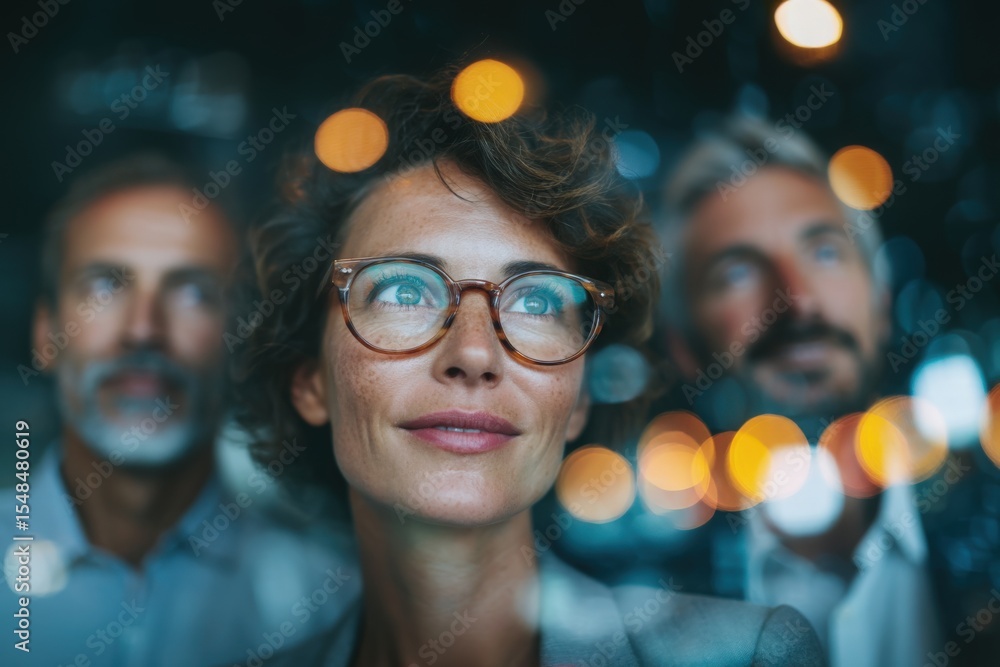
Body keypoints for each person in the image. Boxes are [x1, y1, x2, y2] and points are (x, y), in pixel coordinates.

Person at [236, 69, 826, 666]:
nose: (473, 354)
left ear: (579, 403)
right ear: (310, 380)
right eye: (404, 293)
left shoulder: (745, 656)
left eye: (537, 301)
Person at [655, 116, 998, 667]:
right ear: (684, 346)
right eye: (738, 271)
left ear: (880, 301)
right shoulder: (647, 620)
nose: (797, 301)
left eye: (825, 252)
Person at [2, 154, 359, 667]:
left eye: (194, 292)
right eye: (105, 285)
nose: (145, 329)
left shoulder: (329, 602)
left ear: (239, 339)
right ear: (45, 335)